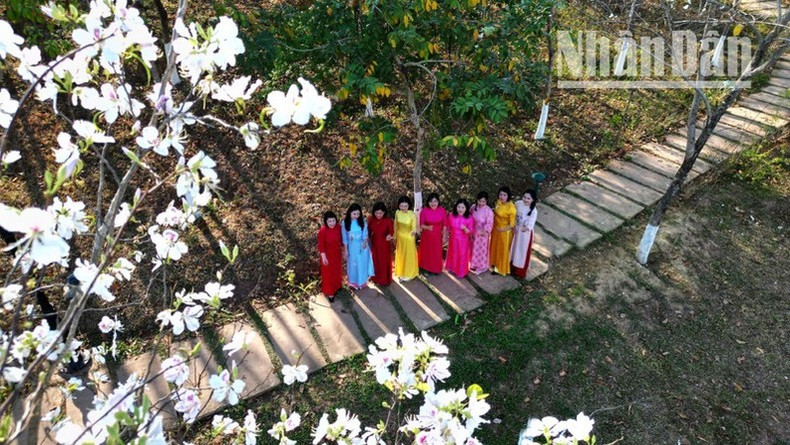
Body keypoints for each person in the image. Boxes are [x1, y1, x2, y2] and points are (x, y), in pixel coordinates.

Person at [341, 203, 375, 289]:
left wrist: (364, 242)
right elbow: (345, 238)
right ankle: (353, 282)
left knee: (361, 264)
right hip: (352, 247)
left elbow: (365, 234)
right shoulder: (345, 223)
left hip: (362, 247)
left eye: (358, 214)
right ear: (350, 213)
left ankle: (362, 281)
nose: (356, 216)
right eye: (354, 214)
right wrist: (345, 250)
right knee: (352, 265)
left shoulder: (362, 222)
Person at [511, 190, 538, 278]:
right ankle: (511, 266)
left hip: (524, 234)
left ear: (533, 200)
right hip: (515, 230)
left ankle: (520, 270)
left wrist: (521, 228)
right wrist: (513, 225)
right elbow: (512, 214)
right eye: (524, 197)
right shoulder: (518, 203)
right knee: (513, 248)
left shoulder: (533, 210)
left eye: (528, 198)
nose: (525, 200)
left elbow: (529, 225)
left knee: (521, 251)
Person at [489, 186, 516, 275]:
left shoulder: (511, 208)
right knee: (494, 247)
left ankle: (499, 268)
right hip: (496, 229)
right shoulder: (498, 202)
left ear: (508, 196)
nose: (502, 197)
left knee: (502, 250)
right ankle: (493, 263)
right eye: (500, 194)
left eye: (504, 195)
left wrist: (502, 229)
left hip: (505, 232)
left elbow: (512, 224)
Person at [418, 192, 447, 274]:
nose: (433, 203)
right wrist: (427, 227)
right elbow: (421, 224)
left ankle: (436, 269)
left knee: (436, 252)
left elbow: (445, 224)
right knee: (427, 252)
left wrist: (444, 236)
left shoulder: (442, 210)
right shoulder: (424, 211)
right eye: (431, 201)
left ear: (438, 202)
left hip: (437, 235)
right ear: (428, 202)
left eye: (435, 201)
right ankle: (425, 268)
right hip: (427, 236)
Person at [445, 198, 474, 278]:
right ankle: (452, 268)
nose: (460, 209)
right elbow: (448, 227)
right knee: (453, 253)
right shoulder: (451, 215)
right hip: (453, 239)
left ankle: (460, 272)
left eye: (463, 207)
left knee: (462, 255)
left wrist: (465, 229)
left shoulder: (469, 218)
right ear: (456, 207)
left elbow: (470, 231)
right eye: (459, 207)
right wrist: (445, 237)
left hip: (463, 241)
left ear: (466, 208)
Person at [317, 211, 343, 302]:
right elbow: (321, 245)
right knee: (328, 274)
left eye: (333, 221)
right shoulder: (322, 231)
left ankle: (337, 286)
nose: (332, 223)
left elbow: (342, 239)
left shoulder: (338, 227)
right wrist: (323, 256)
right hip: (327, 255)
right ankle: (330, 293)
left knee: (337, 271)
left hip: (336, 253)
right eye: (329, 221)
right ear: (326, 222)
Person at [368, 201, 394, 286]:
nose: (379, 215)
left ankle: (384, 279)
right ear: (373, 212)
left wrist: (389, 235)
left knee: (383, 261)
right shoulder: (371, 220)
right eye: (376, 213)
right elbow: (368, 231)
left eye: (381, 213)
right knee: (375, 260)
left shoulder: (388, 221)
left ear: (384, 212)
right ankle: (375, 277)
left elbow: (391, 231)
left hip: (384, 244)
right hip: (375, 243)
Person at [393, 196, 419, 281]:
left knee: (409, 255)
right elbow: (395, 225)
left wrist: (414, 231)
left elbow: (414, 226)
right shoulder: (397, 213)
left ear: (409, 206)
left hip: (409, 237)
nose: (403, 208)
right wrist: (394, 236)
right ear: (399, 206)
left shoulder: (412, 214)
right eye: (401, 206)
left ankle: (409, 273)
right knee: (401, 255)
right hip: (400, 237)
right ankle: (401, 272)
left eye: (405, 206)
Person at [469, 191, 494, 275]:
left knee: (481, 251)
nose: (481, 203)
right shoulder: (473, 207)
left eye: (483, 201)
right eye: (479, 201)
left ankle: (481, 266)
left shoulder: (488, 211)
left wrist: (485, 231)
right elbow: (469, 217)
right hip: (474, 231)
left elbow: (490, 223)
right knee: (473, 249)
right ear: (477, 200)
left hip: (482, 234)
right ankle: (473, 264)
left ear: (486, 201)